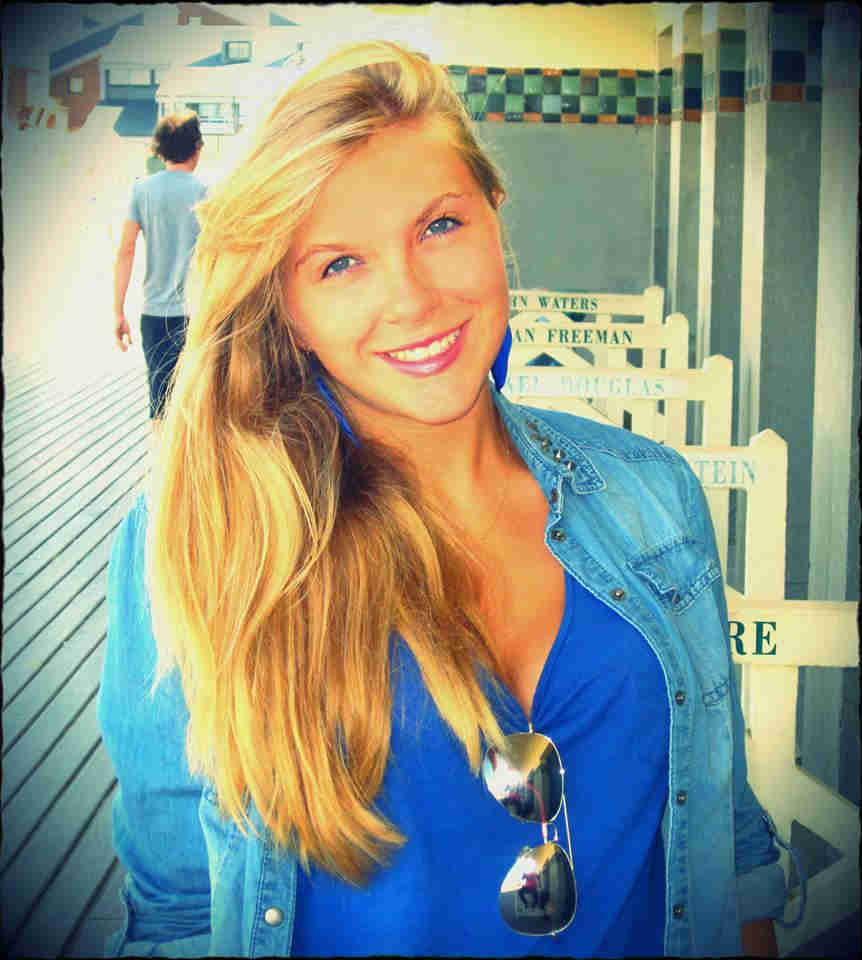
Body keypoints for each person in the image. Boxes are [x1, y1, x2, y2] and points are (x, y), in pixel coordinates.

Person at [99, 41, 801, 958]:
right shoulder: (209, 535)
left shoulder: (650, 497)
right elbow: (184, 916)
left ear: (493, 213)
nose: (414, 300)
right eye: (339, 264)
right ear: (286, 305)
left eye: (438, 226)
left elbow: (727, 846)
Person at [113, 111, 207, 419]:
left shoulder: (142, 190)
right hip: (199, 315)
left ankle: (161, 451)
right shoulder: (207, 192)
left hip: (155, 315)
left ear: (161, 150)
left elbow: (126, 251)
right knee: (197, 406)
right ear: (197, 147)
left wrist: (118, 311)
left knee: (161, 405)